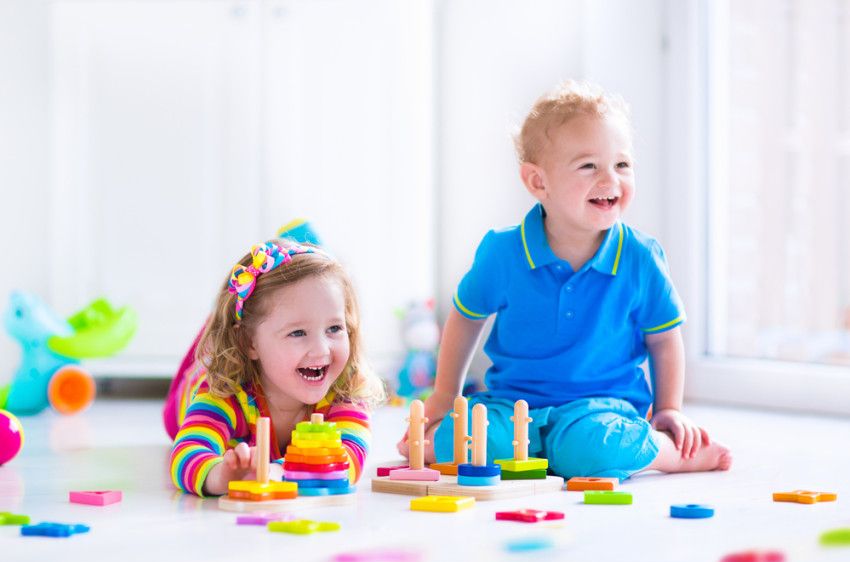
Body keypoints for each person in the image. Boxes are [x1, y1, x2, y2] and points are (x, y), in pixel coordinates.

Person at [398, 80, 731, 479]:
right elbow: (466, 318)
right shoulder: (503, 251)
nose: (610, 179)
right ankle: (529, 447)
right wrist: (444, 395)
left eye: (622, 165)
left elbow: (664, 339)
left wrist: (668, 409)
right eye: (589, 166)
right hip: (511, 405)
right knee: (461, 440)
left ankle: (668, 453)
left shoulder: (641, 257)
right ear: (538, 182)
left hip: (601, 410)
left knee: (594, 449)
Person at [168, 240, 385, 495]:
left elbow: (346, 462)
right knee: (205, 357)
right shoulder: (225, 391)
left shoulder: (346, 389)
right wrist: (221, 475)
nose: (321, 350)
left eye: (334, 328)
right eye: (298, 332)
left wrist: (274, 472)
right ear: (249, 342)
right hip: (192, 388)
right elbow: (187, 454)